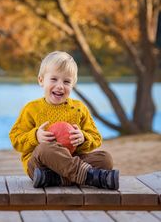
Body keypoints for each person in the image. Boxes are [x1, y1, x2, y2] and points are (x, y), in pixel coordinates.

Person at [9, 51, 119, 190]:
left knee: (105, 159)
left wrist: (83, 138)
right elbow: (15, 138)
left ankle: (56, 178)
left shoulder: (79, 108)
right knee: (45, 148)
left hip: (62, 165)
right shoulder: (32, 109)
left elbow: (96, 137)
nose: (60, 86)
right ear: (41, 80)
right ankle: (88, 176)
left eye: (66, 81)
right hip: (39, 165)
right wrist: (35, 136)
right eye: (54, 79)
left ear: (73, 84)